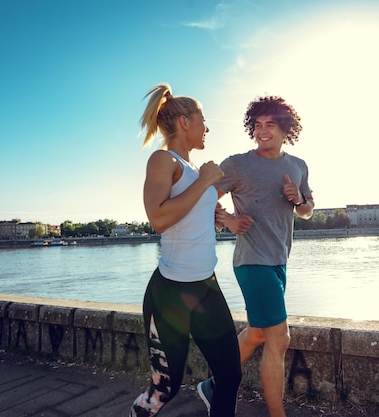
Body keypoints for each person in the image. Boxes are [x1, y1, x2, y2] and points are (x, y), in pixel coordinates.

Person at [197, 95, 314, 417]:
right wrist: (229, 220)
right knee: (280, 338)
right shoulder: (237, 164)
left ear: (285, 129)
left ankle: (214, 385)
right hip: (251, 261)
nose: (262, 131)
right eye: (258, 125)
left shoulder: (298, 166)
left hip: (279, 261)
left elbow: (307, 211)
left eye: (270, 125)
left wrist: (299, 198)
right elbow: (201, 201)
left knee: (260, 332)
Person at [130, 83, 241, 417]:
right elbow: (159, 219)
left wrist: (219, 219)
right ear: (183, 122)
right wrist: (206, 182)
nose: (207, 128)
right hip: (171, 292)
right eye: (202, 120)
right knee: (166, 386)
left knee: (230, 375)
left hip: (205, 286)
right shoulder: (163, 159)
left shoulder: (196, 170)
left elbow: (188, 216)